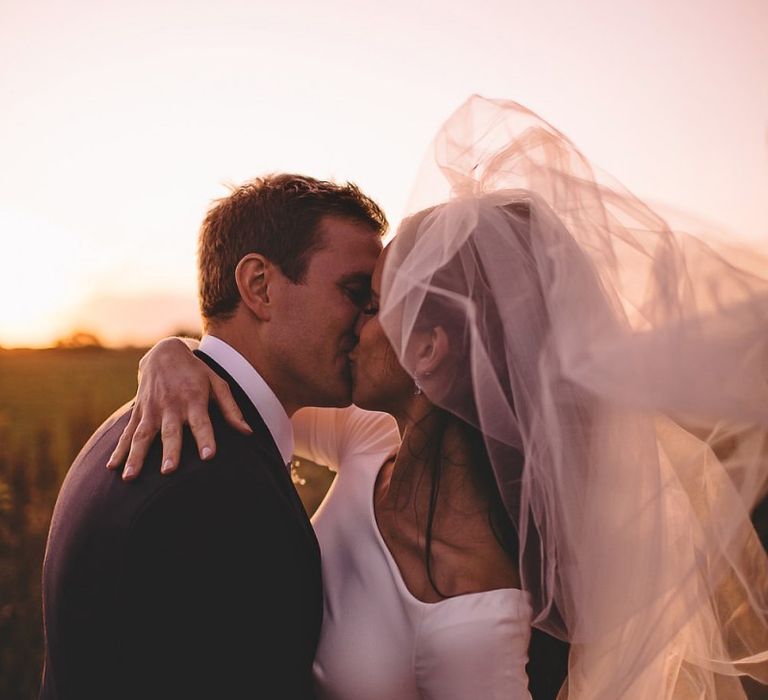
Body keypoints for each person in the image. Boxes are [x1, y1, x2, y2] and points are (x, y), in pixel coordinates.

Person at [111, 97, 768, 699]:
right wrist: (170, 356)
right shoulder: (370, 436)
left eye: (371, 306)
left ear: (428, 351)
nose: (353, 328)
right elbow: (255, 382)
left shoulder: (480, 603)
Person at [39, 174, 387, 699]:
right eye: (355, 292)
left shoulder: (130, 424)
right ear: (259, 287)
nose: (368, 321)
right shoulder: (218, 492)